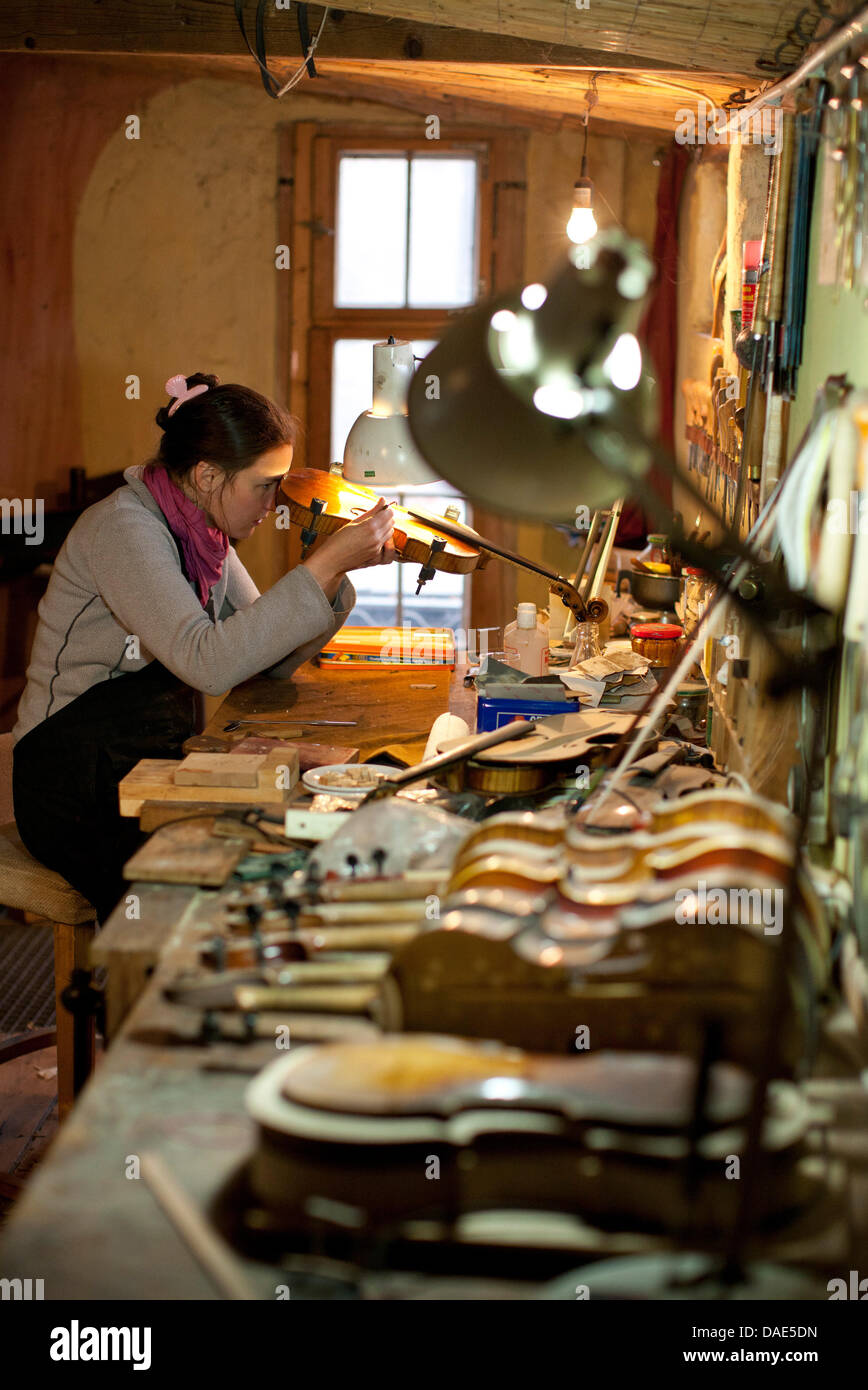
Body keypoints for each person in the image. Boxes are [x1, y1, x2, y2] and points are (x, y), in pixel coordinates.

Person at [12, 372, 396, 922]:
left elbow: (267, 661)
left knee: (273, 849)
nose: (276, 500)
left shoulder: (201, 531)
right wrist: (324, 563)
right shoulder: (125, 528)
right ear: (208, 474)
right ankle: (144, 996)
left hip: (145, 754)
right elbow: (209, 662)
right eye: (265, 483)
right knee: (200, 901)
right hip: (72, 776)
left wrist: (336, 577)